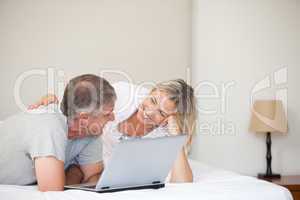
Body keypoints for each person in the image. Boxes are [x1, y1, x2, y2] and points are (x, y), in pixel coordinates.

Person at [30, 79, 197, 183]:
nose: (149, 112)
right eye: (152, 100)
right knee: (71, 173)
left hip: (102, 171)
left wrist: (176, 137)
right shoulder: (124, 94)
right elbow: (83, 101)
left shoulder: (164, 134)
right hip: (85, 155)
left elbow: (182, 182)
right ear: (150, 92)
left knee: (79, 176)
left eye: (161, 113)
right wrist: (55, 99)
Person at [0, 74, 116, 191]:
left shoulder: (90, 133)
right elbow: (52, 192)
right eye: (107, 114)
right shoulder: (48, 124)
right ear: (84, 118)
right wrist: (74, 171)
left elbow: (94, 180)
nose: (113, 118)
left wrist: (75, 171)